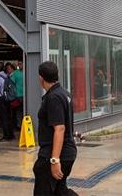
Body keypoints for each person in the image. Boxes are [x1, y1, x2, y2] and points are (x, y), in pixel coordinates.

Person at [33, 61, 77, 196]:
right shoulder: (64, 93)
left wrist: (54, 160)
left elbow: (60, 128)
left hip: (54, 154)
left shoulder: (54, 97)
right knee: (60, 191)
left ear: (41, 78)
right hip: (67, 151)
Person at [0, 63, 14, 142]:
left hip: (1, 98)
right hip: (8, 98)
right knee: (9, 116)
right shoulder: (7, 76)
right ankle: (11, 134)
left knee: (3, 117)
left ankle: (5, 135)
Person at [11, 62, 24, 131]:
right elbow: (12, 83)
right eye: (19, 64)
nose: (20, 65)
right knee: (18, 111)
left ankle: (25, 124)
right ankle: (19, 125)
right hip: (18, 95)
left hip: (27, 95)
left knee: (26, 110)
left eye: (21, 63)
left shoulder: (28, 71)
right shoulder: (15, 73)